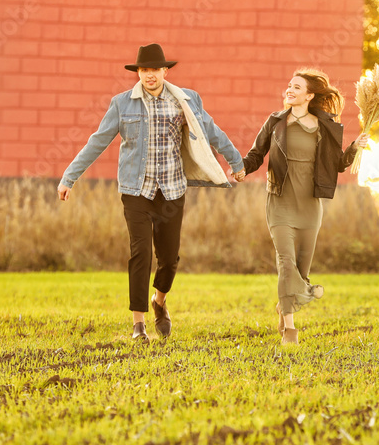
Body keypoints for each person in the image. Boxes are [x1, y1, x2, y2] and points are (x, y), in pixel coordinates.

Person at [57, 43, 245, 343]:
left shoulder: (185, 99)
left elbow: (211, 130)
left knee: (169, 259)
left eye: (155, 69)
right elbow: (97, 141)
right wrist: (69, 177)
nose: (149, 75)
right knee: (140, 253)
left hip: (171, 190)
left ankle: (159, 301)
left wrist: (236, 161)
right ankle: (138, 324)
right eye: (144, 70)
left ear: (164, 71)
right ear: (138, 73)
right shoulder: (122, 104)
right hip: (136, 191)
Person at [239, 68, 368, 345]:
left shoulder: (325, 127)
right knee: (286, 263)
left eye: (297, 87)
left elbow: (337, 165)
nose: (290, 90)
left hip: (310, 203)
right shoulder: (275, 122)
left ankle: (289, 300)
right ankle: (290, 328)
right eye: (289, 85)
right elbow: (255, 154)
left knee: (301, 269)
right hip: (280, 199)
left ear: (309, 95)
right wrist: (241, 170)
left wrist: (356, 146)